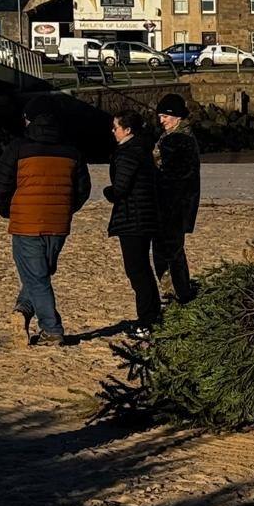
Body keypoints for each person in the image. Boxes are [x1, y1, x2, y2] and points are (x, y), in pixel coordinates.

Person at [0, 96, 90, 347]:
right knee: (41, 273)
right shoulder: (72, 150)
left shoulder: (18, 147)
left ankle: (51, 328)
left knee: (36, 277)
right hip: (58, 223)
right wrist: (67, 209)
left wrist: (8, 210)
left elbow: (1, 184)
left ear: (28, 120)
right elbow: (83, 189)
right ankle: (23, 310)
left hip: (26, 221)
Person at [103, 111, 161, 339]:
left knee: (137, 271)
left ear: (127, 130)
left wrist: (109, 192)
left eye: (116, 127)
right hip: (144, 216)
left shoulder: (128, 152)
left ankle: (147, 320)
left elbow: (121, 188)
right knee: (142, 269)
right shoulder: (142, 149)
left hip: (133, 218)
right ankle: (151, 316)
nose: (113, 131)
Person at [152, 93, 200, 304]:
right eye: (160, 116)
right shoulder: (179, 136)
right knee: (170, 250)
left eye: (165, 116)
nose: (161, 121)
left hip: (172, 205)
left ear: (177, 117)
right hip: (178, 204)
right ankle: (176, 291)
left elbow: (171, 175)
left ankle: (178, 292)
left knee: (169, 251)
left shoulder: (177, 140)